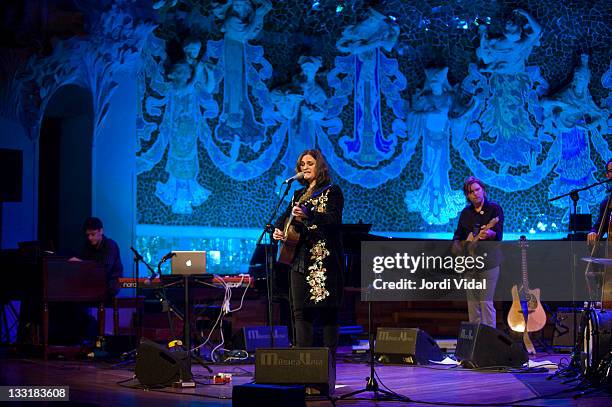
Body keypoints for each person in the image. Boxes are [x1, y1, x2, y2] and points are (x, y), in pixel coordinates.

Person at [272, 150, 344, 360]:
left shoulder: (332, 191)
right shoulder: (296, 195)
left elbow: (333, 220)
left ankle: (328, 366)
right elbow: (284, 218)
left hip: (323, 261)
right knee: (299, 312)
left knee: (328, 313)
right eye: (302, 163)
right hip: (299, 260)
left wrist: (308, 214)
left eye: (310, 163)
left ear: (320, 166)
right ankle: (303, 362)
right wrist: (278, 230)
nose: (305, 167)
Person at [452, 176, 504, 328]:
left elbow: (498, 235)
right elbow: (458, 234)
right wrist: (457, 245)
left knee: (485, 302)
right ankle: (474, 339)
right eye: (471, 192)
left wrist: (490, 234)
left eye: (477, 189)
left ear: (483, 191)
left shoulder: (494, 209)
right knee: (473, 303)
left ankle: (489, 339)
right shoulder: (465, 213)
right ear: (467, 196)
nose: (475, 193)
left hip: (489, 262)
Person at [70, 217, 123, 300]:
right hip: (96, 282)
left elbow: (104, 270)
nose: (90, 238)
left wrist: (81, 263)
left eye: (93, 234)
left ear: (101, 231)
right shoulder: (88, 245)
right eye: (88, 235)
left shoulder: (110, 244)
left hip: (111, 284)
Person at [587, 159, 612, 244]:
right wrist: (593, 232)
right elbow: (599, 225)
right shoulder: (606, 204)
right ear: (607, 176)